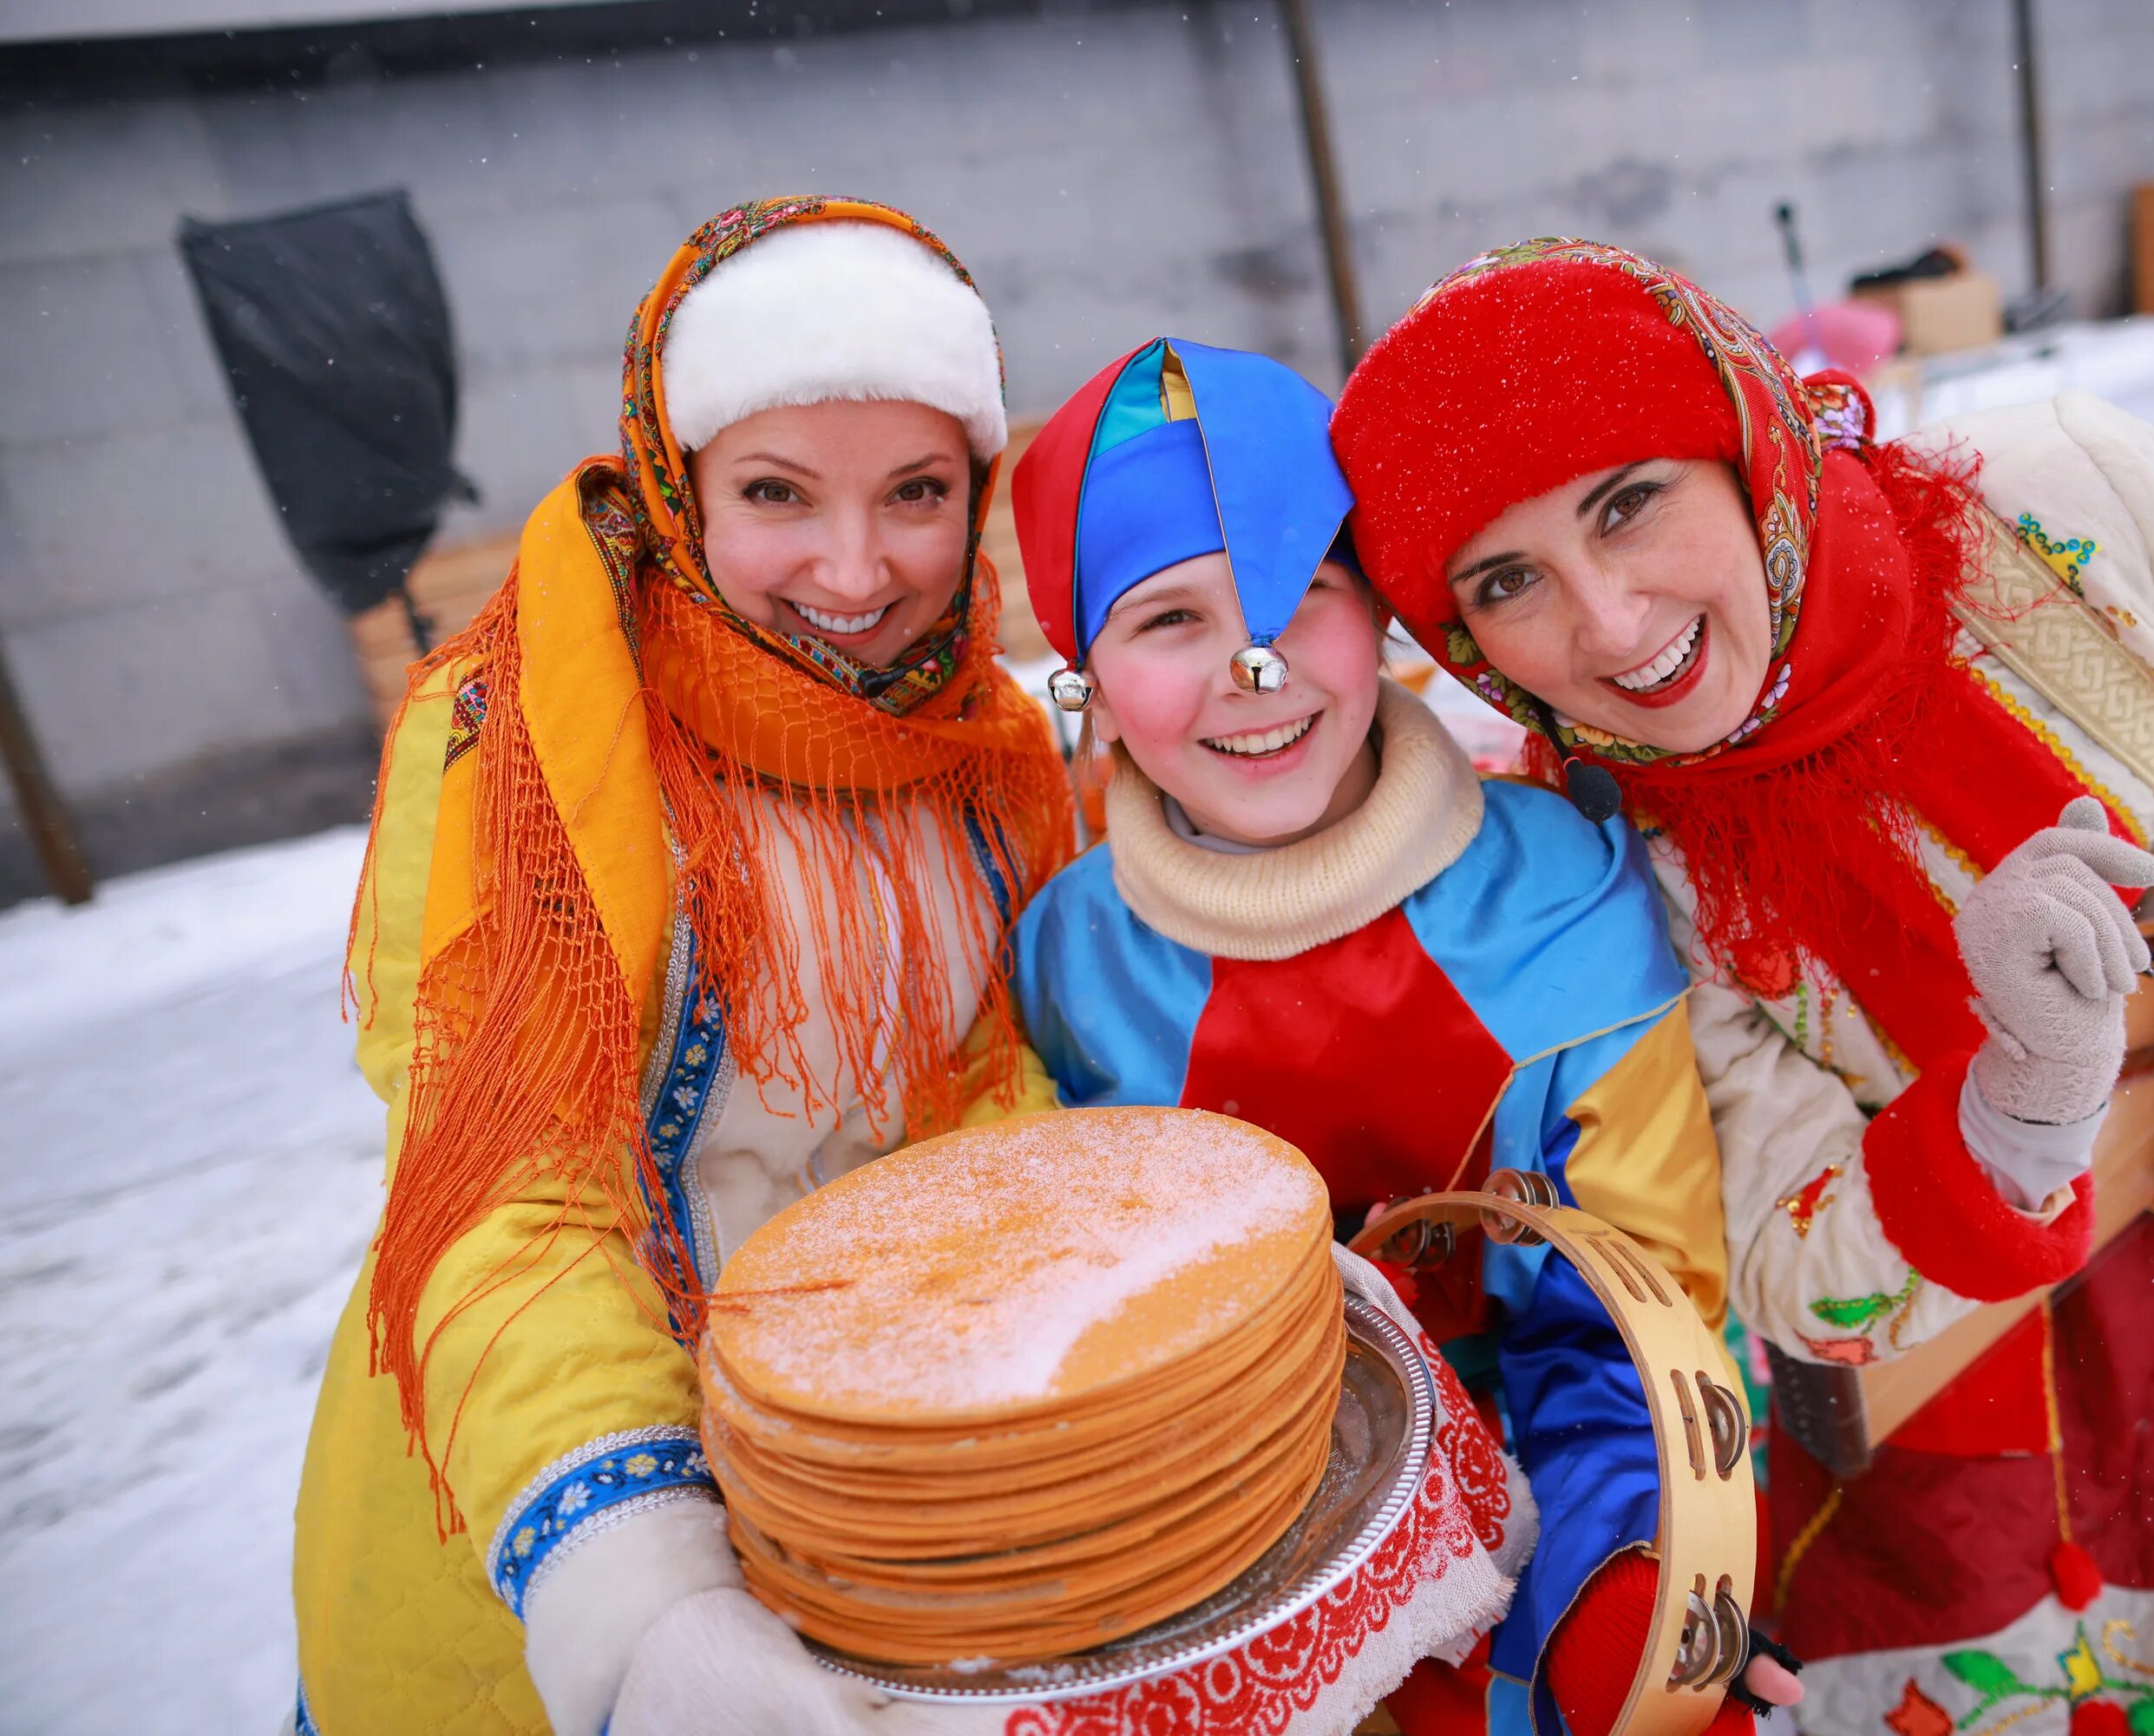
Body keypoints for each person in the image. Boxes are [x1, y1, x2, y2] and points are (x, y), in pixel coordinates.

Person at [1330, 239, 2154, 1733]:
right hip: (1935, 1391)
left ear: (1745, 443)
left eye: (1629, 500)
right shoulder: (1609, 840)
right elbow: (1787, 1243)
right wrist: (2018, 1109)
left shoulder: (2061, 505)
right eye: (1508, 580)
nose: (1603, 621)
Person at [289, 198, 1073, 1736]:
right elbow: (511, 1195)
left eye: (917, 491)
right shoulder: (528, 740)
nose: (858, 568)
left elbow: (990, 1095)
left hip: (879, 1533)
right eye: (779, 490)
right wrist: (643, 1595)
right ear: (679, 477)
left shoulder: (979, 745)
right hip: (550, 1558)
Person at [1008, 337, 1806, 1736]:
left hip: (1560, 1505)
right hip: (1239, 1569)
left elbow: (1639, 1314)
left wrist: (1631, 1570)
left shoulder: (1559, 891)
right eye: (1167, 620)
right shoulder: (1068, 964)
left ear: (1375, 610)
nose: (1251, 666)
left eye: (1297, 593)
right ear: (1081, 668)